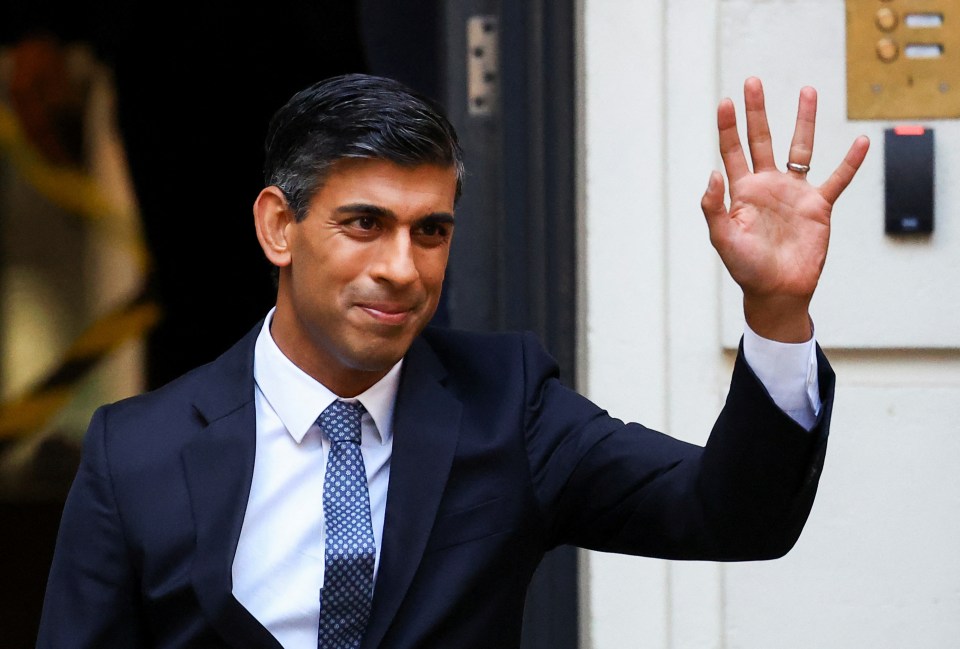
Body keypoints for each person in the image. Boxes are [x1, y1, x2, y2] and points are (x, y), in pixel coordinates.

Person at [36, 73, 869, 648]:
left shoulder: (509, 405)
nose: (403, 266)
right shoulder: (133, 451)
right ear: (278, 228)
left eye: (430, 230)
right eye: (364, 223)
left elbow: (733, 514)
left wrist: (777, 308)